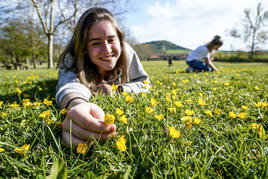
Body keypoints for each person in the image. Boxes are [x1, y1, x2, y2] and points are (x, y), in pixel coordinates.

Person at [55, 7, 150, 146]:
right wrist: (78, 106)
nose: (107, 50)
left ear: (120, 39)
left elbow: (143, 82)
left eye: (111, 39)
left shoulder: (127, 52)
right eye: (96, 43)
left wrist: (118, 90)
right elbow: (69, 85)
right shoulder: (71, 58)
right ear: (84, 48)